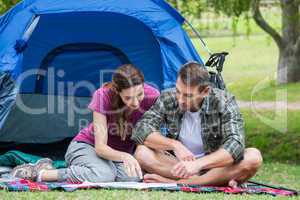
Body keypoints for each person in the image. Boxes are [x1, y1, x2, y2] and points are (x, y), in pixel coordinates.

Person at [11, 64, 160, 183]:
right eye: (128, 98)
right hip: (87, 146)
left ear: (143, 85)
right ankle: (41, 173)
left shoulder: (153, 96)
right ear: (117, 91)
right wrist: (126, 157)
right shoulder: (103, 96)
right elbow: (101, 148)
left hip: (116, 156)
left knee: (132, 177)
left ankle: (90, 169)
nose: (135, 103)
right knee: (103, 175)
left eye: (139, 94)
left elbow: (153, 133)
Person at [131, 62, 263, 187]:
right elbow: (141, 129)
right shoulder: (168, 97)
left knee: (253, 157)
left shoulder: (224, 101)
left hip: (215, 167)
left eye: (188, 95)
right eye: (178, 91)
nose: (180, 100)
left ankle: (180, 183)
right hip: (178, 166)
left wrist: (198, 164)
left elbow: (236, 145)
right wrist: (175, 145)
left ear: (205, 91)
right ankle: (208, 181)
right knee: (141, 153)